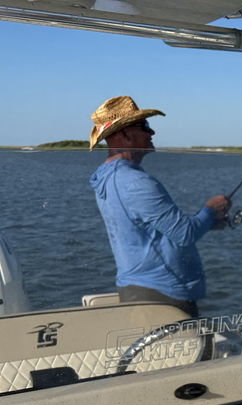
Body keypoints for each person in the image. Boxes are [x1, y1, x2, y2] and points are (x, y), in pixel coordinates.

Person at [88, 96, 231, 318]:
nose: (151, 132)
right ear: (125, 135)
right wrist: (211, 210)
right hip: (161, 294)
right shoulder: (134, 182)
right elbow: (184, 233)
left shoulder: (109, 177)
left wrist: (208, 222)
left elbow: (153, 228)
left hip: (141, 289)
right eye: (144, 126)